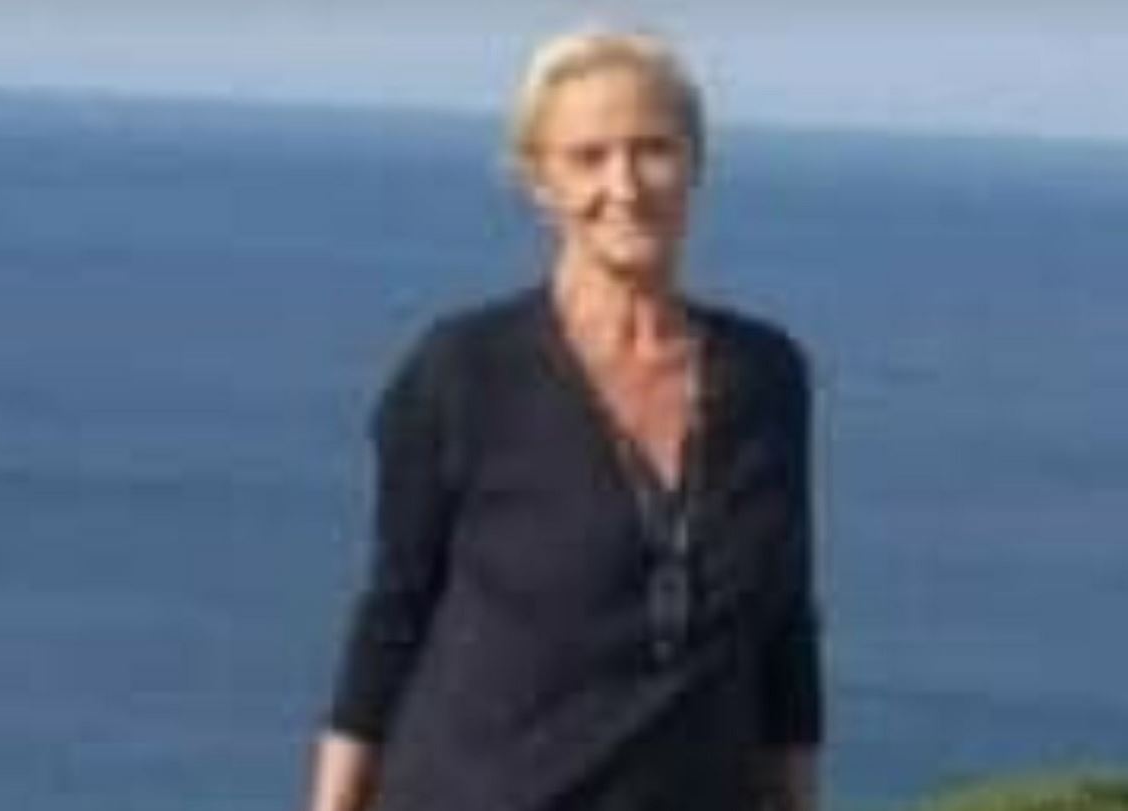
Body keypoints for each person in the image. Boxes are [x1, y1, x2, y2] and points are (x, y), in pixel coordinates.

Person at [305, 28, 823, 811]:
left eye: (654, 149)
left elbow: (785, 635)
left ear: (697, 163)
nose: (625, 185)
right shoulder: (465, 371)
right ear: (538, 181)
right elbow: (391, 619)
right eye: (588, 157)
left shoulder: (767, 377)